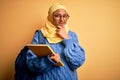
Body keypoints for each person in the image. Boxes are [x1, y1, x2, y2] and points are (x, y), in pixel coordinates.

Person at [26, 3, 85, 80]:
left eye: (65, 16)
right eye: (57, 16)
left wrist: (66, 38)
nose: (62, 19)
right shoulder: (40, 35)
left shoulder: (71, 35)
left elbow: (77, 62)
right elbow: (31, 64)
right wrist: (48, 60)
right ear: (51, 17)